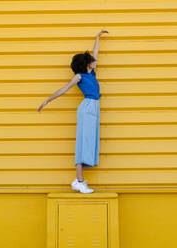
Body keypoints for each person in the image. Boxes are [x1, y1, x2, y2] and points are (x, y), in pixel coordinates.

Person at [37, 29, 109, 193]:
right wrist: (48, 100)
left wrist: (97, 38)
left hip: (94, 107)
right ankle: (79, 180)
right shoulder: (79, 76)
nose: (94, 61)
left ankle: (80, 180)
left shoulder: (92, 73)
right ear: (86, 64)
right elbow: (64, 89)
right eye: (91, 61)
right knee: (84, 142)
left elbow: (96, 53)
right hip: (87, 108)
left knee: (89, 141)